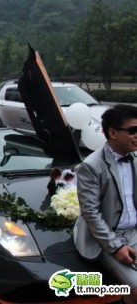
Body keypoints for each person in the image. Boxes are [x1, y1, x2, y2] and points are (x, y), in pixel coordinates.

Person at [74, 104, 137, 303]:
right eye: (133, 131)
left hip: (134, 232)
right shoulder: (91, 166)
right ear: (112, 132)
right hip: (105, 239)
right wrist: (116, 247)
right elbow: (90, 213)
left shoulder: (135, 158)